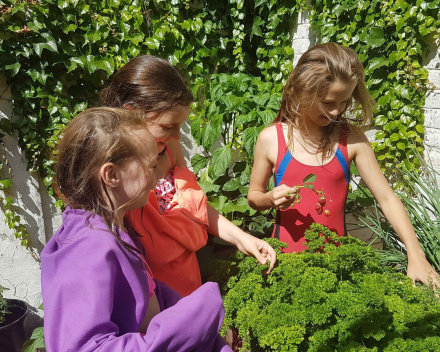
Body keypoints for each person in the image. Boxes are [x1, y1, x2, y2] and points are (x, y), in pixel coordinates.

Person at [247, 42, 439, 287]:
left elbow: (387, 198)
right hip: (283, 266)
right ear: (302, 91)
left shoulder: (352, 138)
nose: (337, 112)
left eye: (345, 102)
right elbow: (253, 196)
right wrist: (269, 198)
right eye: (327, 103)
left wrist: (416, 254)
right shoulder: (271, 139)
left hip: (339, 270)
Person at [41, 108, 232, 351]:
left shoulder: (111, 228)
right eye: (151, 166)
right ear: (111, 175)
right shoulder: (89, 248)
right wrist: (198, 314)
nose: (160, 174)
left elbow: (144, 295)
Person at [101, 55, 277, 296]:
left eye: (180, 126)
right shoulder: (116, 171)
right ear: (131, 114)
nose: (176, 135)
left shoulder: (168, 147)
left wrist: (241, 238)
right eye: (167, 126)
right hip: (152, 295)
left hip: (188, 279)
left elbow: (194, 205)